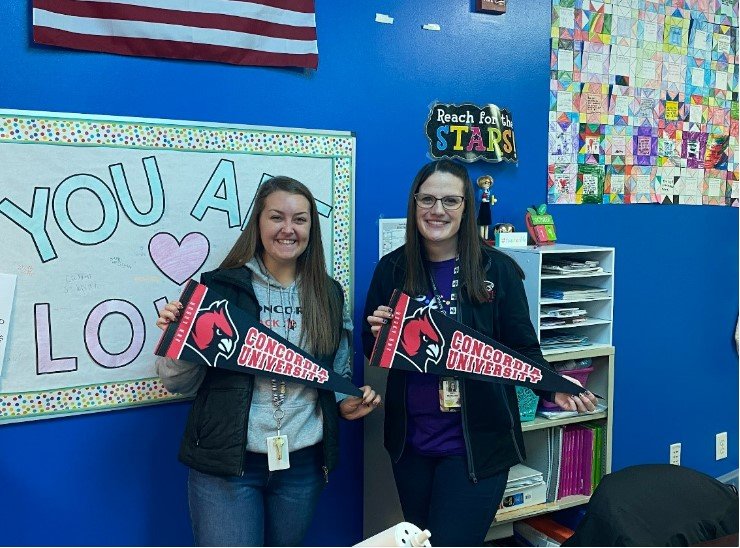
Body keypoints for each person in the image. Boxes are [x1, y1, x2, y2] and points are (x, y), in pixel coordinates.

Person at [362, 160, 596, 546]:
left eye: (451, 200)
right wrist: (376, 335)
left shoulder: (497, 270)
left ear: (467, 207)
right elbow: (373, 351)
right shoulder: (392, 269)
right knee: (421, 543)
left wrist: (550, 388)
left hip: (478, 445)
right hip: (412, 445)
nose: (438, 210)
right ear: (414, 204)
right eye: (428, 199)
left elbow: (522, 348)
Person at [156, 176, 380, 547]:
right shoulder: (219, 288)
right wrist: (177, 342)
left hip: (302, 465)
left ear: (312, 227)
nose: (288, 229)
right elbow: (176, 382)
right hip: (228, 464)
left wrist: (347, 401)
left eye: (300, 220)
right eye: (277, 217)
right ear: (258, 223)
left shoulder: (328, 293)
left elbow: (336, 373)